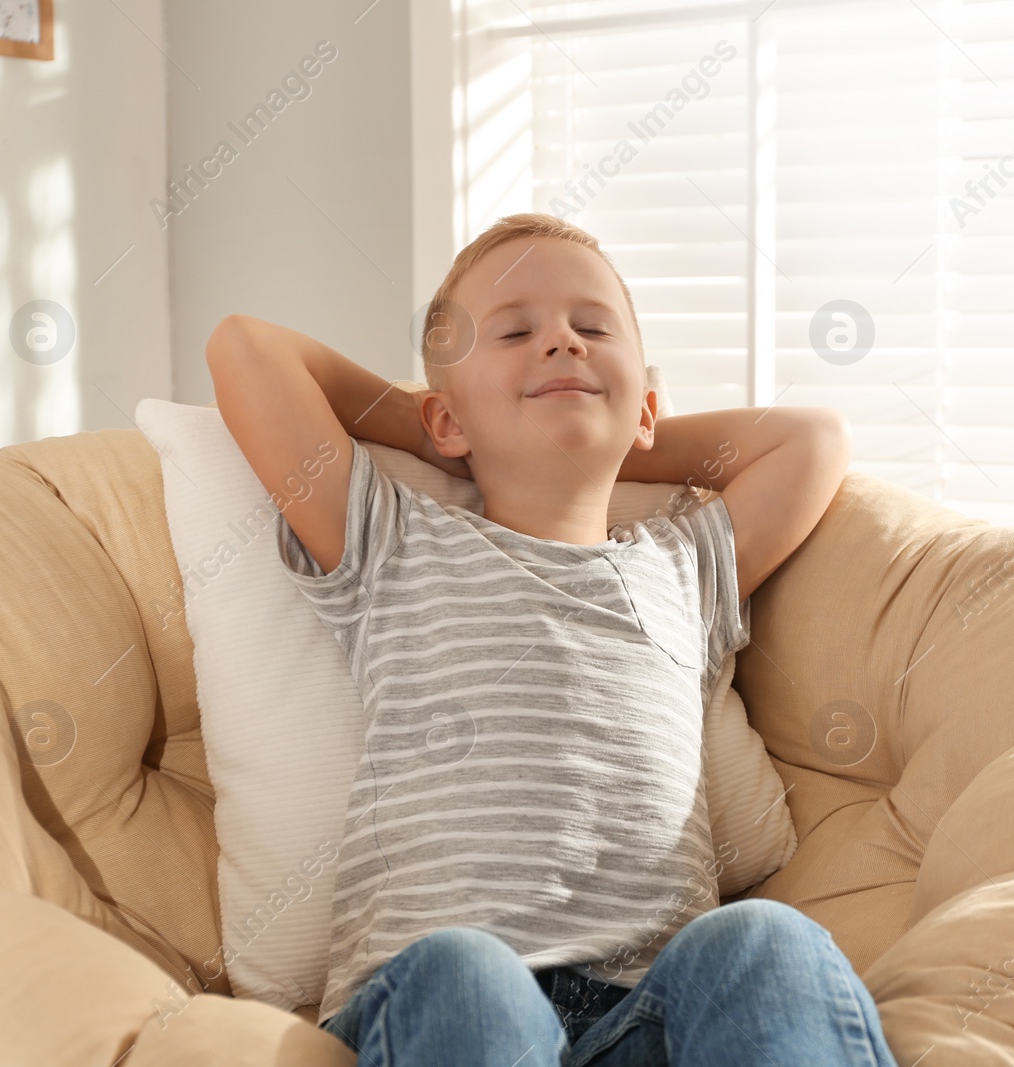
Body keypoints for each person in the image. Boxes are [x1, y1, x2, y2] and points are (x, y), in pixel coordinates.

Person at [206, 213, 895, 1066]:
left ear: (648, 405)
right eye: (516, 331)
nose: (562, 342)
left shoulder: (686, 567)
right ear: (445, 423)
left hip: (646, 1013)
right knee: (471, 968)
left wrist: (608, 421)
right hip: (454, 1013)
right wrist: (439, 431)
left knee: (765, 938)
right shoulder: (394, 540)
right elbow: (246, 349)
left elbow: (814, 438)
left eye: (592, 328)